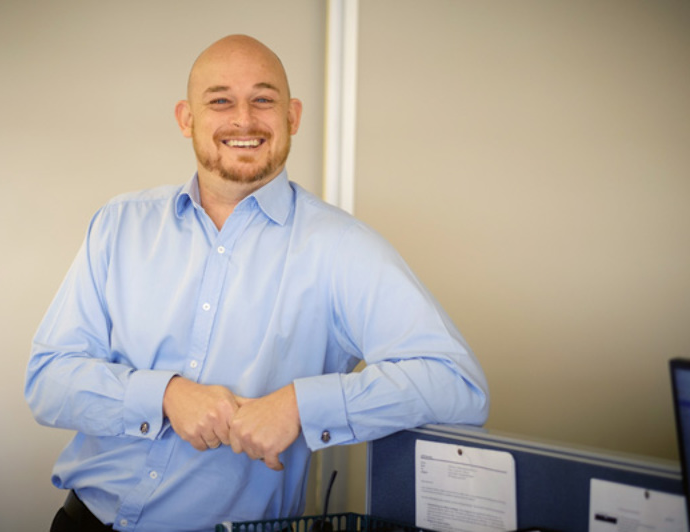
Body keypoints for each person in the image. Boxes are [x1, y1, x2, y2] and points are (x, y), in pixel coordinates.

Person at [25, 34, 489, 532]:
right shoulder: (119, 225)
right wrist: (164, 396)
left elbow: (457, 384)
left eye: (263, 100)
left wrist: (301, 406)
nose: (243, 120)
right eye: (220, 101)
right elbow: (48, 381)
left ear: (292, 116)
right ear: (186, 119)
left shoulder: (343, 248)